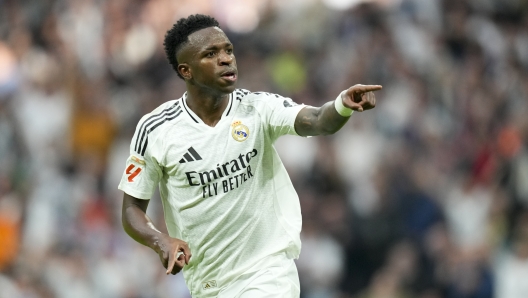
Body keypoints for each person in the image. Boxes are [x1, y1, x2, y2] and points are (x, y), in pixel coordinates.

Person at [119, 14, 382, 298]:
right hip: (209, 284)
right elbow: (131, 209)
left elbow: (317, 119)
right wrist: (161, 242)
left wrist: (341, 105)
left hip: (268, 272)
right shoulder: (157, 129)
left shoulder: (258, 108)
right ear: (186, 71)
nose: (226, 59)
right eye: (211, 53)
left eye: (228, 50)